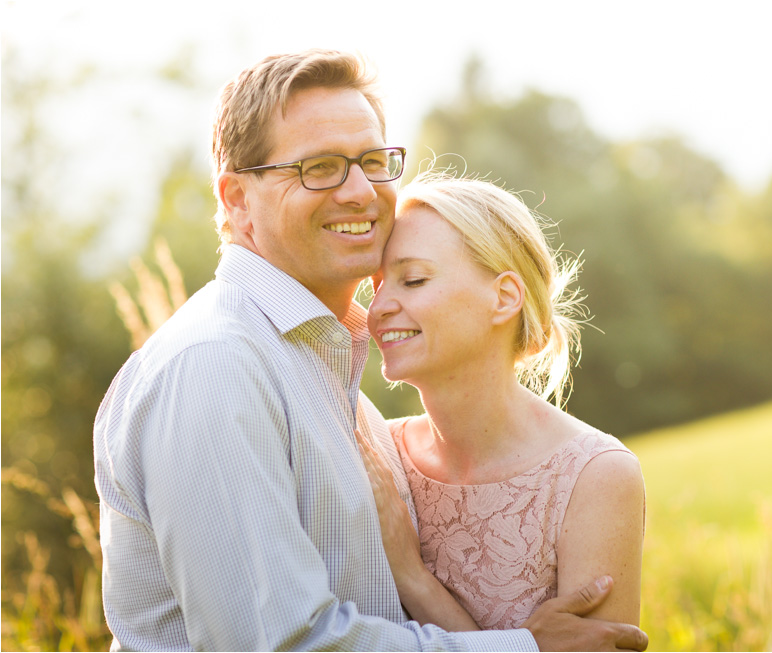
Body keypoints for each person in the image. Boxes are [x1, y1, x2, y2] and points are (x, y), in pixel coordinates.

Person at [92, 48, 649, 651]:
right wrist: (523, 650)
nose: (359, 191)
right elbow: (277, 643)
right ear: (236, 199)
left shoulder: (334, 385)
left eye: (372, 162)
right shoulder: (216, 367)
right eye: (320, 167)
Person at [358, 171, 646, 632]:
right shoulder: (378, 455)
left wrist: (413, 579)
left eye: (412, 280)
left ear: (504, 297)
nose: (378, 308)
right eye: (375, 285)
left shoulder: (595, 477)